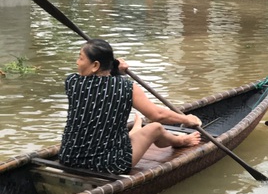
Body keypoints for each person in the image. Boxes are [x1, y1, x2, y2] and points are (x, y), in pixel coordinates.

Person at [58, 39, 202, 175]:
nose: (77, 63)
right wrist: (186, 119)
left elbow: (101, 85)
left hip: (69, 158)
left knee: (119, 130)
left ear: (95, 66)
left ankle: (135, 131)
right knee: (155, 127)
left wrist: (115, 70)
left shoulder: (72, 82)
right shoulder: (126, 87)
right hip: (108, 164)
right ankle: (181, 141)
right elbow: (157, 115)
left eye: (81, 58)